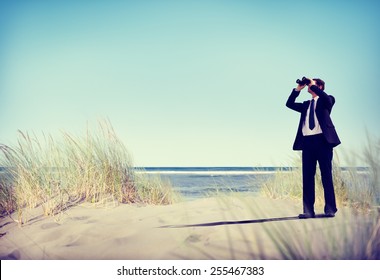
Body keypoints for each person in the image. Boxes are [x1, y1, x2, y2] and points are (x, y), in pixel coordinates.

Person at [286, 77, 341, 219]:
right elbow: (289, 104)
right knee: (307, 177)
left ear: (320, 87)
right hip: (307, 143)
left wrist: (312, 84)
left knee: (326, 175)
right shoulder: (306, 104)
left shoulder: (327, 100)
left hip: (323, 141)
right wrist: (298, 88)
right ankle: (308, 210)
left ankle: (330, 208)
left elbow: (327, 100)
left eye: (313, 85)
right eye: (309, 85)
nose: (309, 86)